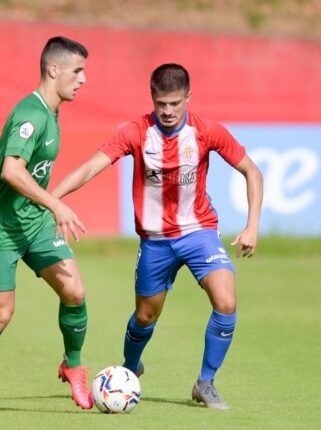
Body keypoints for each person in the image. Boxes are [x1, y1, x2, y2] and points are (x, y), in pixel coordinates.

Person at [51, 63, 263, 409]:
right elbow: (92, 165)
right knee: (146, 315)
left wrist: (252, 224)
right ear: (152, 97)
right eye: (160, 103)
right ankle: (130, 369)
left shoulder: (206, 131)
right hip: (155, 241)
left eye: (174, 104)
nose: (167, 111)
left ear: (188, 98)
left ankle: (206, 383)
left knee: (226, 301)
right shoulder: (136, 131)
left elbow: (252, 171)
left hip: (199, 233)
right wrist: (52, 197)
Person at [0, 36, 93, 416]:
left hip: (34, 224)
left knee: (74, 290)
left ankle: (73, 364)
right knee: (0, 314)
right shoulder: (32, 114)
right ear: (53, 69)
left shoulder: (52, 111)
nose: (83, 79)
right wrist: (56, 204)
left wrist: (47, 208)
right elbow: (13, 171)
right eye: (78, 71)